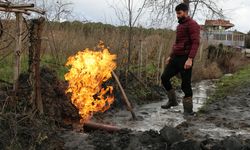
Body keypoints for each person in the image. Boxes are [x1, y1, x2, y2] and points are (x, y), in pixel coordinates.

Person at [161, 3, 200, 115]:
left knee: (185, 85)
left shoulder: (193, 24)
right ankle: (172, 101)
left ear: (186, 12)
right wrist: (171, 56)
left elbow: (196, 43)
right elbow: (177, 43)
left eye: (179, 13)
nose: (177, 16)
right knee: (164, 77)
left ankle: (188, 111)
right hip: (176, 58)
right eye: (176, 13)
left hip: (185, 58)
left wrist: (190, 59)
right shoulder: (180, 26)